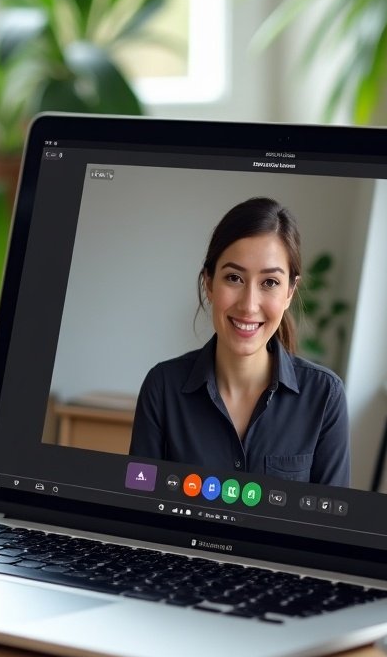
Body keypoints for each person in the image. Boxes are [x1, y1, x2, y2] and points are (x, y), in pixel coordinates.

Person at [129, 197, 350, 486]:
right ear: (208, 282)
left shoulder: (325, 397)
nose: (249, 305)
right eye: (234, 278)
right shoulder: (162, 387)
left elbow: (327, 526)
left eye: (269, 283)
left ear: (290, 293)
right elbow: (138, 501)